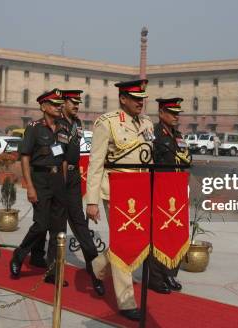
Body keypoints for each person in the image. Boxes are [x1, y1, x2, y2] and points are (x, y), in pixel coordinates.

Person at [86, 79, 154, 322]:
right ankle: (126, 301)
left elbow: (148, 158)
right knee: (124, 243)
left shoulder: (147, 122)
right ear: (123, 99)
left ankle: (98, 266)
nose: (140, 102)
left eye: (142, 98)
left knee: (137, 240)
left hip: (141, 190)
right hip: (116, 190)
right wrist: (91, 201)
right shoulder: (107, 122)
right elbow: (95, 163)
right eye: (135, 98)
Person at [9, 89, 69, 286]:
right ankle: (18, 256)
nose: (59, 107)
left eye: (60, 104)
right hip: (40, 179)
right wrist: (29, 187)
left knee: (58, 229)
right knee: (41, 225)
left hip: (58, 181)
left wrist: (64, 182)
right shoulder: (34, 128)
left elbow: (64, 159)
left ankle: (53, 271)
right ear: (43, 107)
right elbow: (25, 158)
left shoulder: (64, 128)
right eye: (54, 104)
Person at [53, 89, 105, 295]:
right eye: (73, 102)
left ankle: (95, 272)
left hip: (73, 179)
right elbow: (58, 153)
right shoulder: (58, 123)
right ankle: (50, 269)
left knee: (81, 227)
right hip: (59, 177)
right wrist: (61, 179)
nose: (76, 105)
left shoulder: (78, 124)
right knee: (55, 226)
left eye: (78, 102)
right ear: (64, 103)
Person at [148, 97, 190, 294]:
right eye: (172, 113)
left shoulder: (178, 135)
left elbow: (185, 157)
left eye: (177, 113)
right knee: (159, 235)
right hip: (160, 188)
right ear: (161, 113)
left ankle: (170, 273)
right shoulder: (153, 134)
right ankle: (155, 278)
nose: (175, 117)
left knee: (175, 233)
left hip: (177, 188)